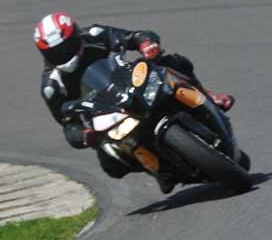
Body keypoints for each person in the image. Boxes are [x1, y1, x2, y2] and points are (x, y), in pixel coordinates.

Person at [34, 11, 235, 193]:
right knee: (110, 161)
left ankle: (207, 96)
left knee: (172, 62)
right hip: (105, 112)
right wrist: (84, 136)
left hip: (129, 83)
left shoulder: (94, 35)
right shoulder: (51, 86)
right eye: (55, 53)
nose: (63, 55)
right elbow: (67, 124)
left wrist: (146, 44)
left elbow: (133, 36)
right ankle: (157, 169)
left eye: (66, 47)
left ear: (76, 36)